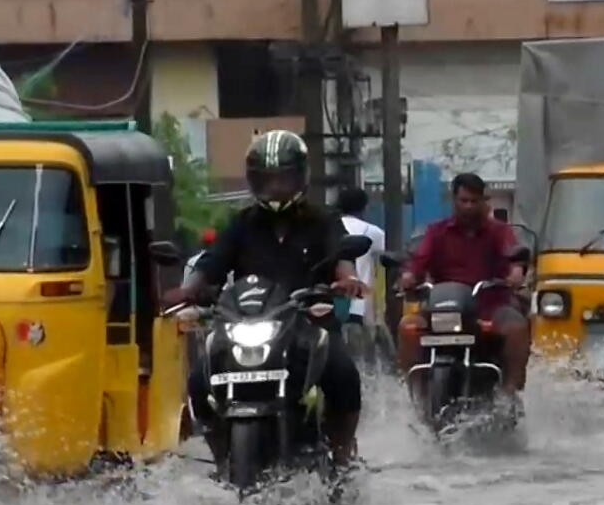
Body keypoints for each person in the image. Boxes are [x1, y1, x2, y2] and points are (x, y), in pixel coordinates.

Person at [161, 129, 364, 473]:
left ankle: (342, 454)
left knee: (343, 373)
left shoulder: (323, 220)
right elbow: (213, 264)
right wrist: (188, 290)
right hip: (247, 325)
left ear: (300, 176)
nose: (276, 187)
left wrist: (346, 280)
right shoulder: (241, 224)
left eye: (284, 178)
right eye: (267, 179)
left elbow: (341, 254)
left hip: (308, 322)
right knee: (199, 381)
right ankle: (222, 456)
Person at [397, 173, 530, 400]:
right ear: (454, 201)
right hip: (442, 308)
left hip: (489, 305)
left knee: (517, 328)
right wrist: (409, 276)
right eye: (463, 200)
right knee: (407, 327)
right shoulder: (436, 232)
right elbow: (419, 261)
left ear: (483, 202)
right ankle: (415, 394)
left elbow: (513, 256)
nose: (468, 206)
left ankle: (509, 392)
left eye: (474, 201)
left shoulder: (499, 231)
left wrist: (515, 272)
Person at [337, 187, 386, 361]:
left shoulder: (328, 229)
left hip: (331, 304)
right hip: (360, 307)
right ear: (365, 207)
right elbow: (384, 260)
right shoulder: (373, 233)